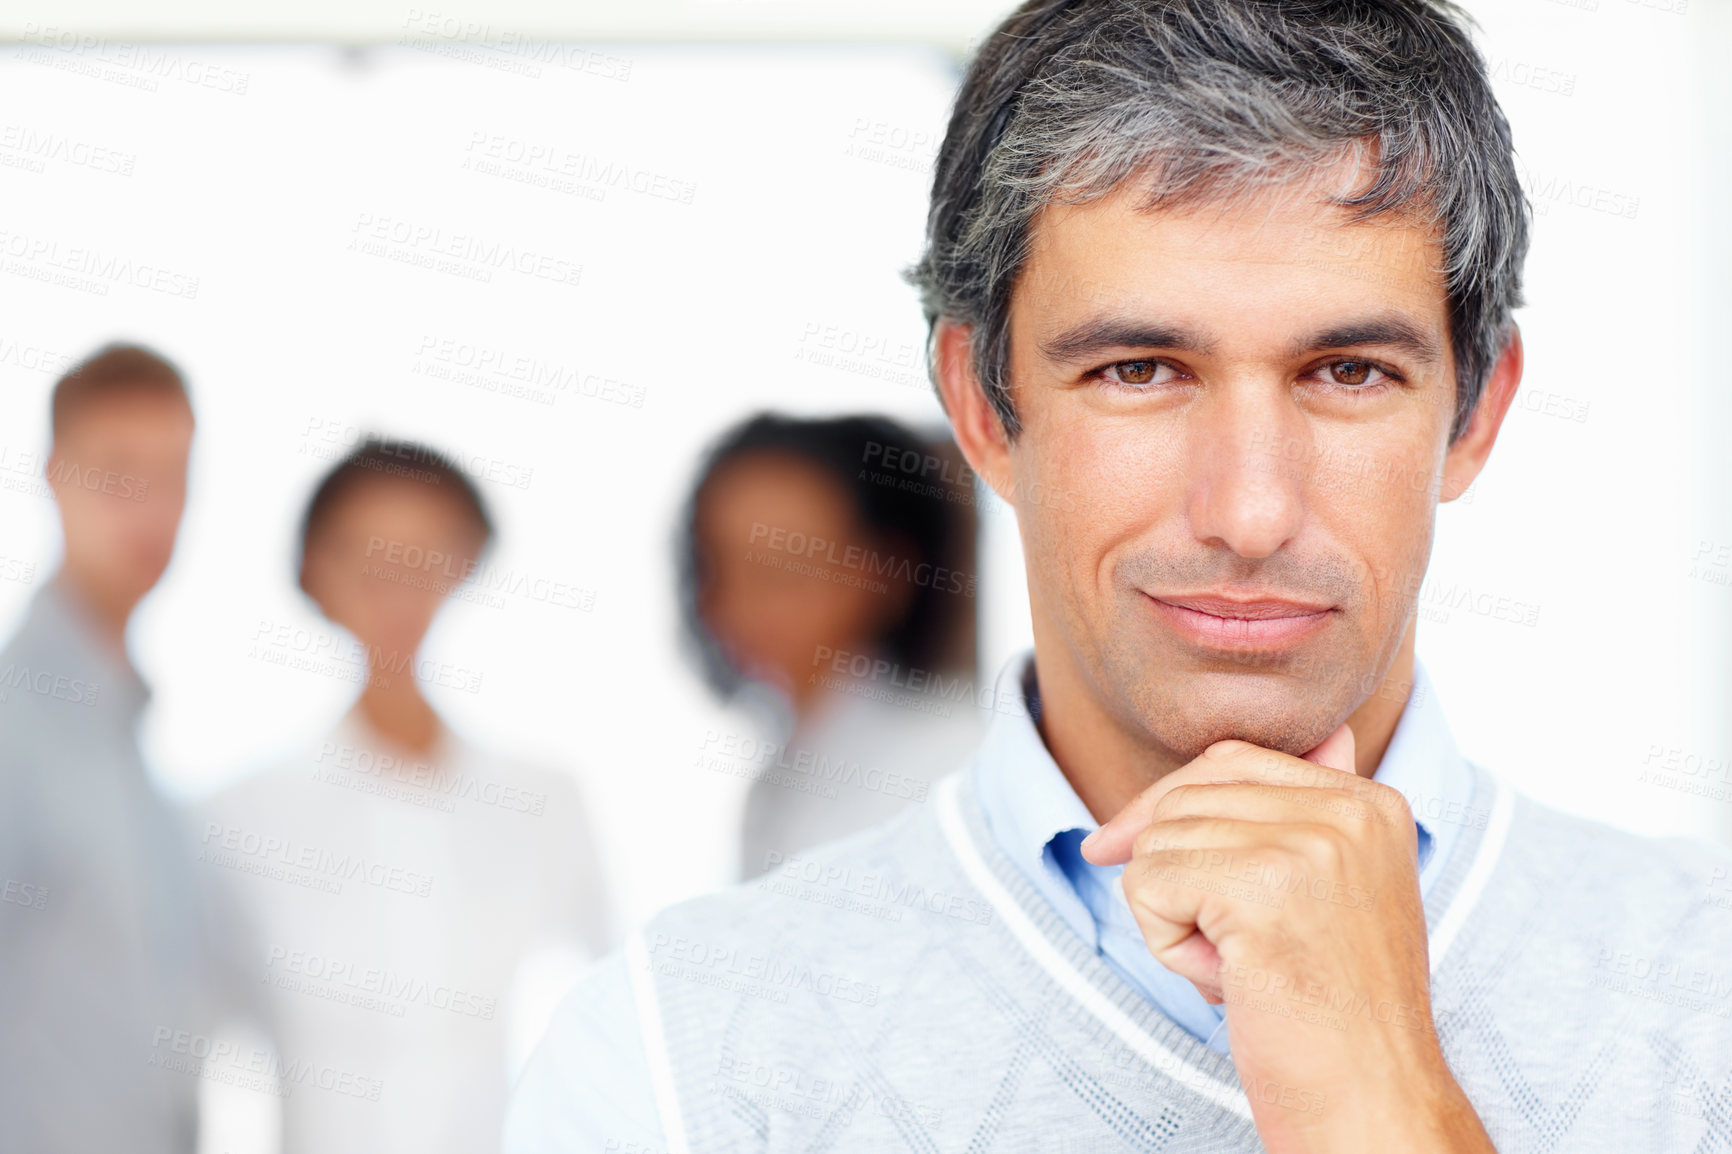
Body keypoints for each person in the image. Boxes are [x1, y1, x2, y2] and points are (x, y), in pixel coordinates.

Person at [506, 2, 1732, 1151]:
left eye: (1347, 371)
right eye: (1139, 370)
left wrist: (1383, 1095)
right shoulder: (678, 1056)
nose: (1249, 511)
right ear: (983, 407)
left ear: (1475, 413)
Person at [201, 438, 612, 1154]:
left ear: (465, 562)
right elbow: (184, 1040)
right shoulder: (238, 816)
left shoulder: (542, 801)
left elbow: (618, 1018)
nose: (397, 588)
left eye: (425, 553)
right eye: (367, 554)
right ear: (315, 570)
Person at [0, 344, 260, 1153]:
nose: (148, 505)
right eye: (117, 469)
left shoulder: (143, 766)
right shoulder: (14, 732)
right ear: (54, 475)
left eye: (172, 474)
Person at [676, 413, 983, 878]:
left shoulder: (955, 762)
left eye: (780, 573)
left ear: (886, 571)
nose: (741, 604)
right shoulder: (776, 777)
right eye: (718, 567)